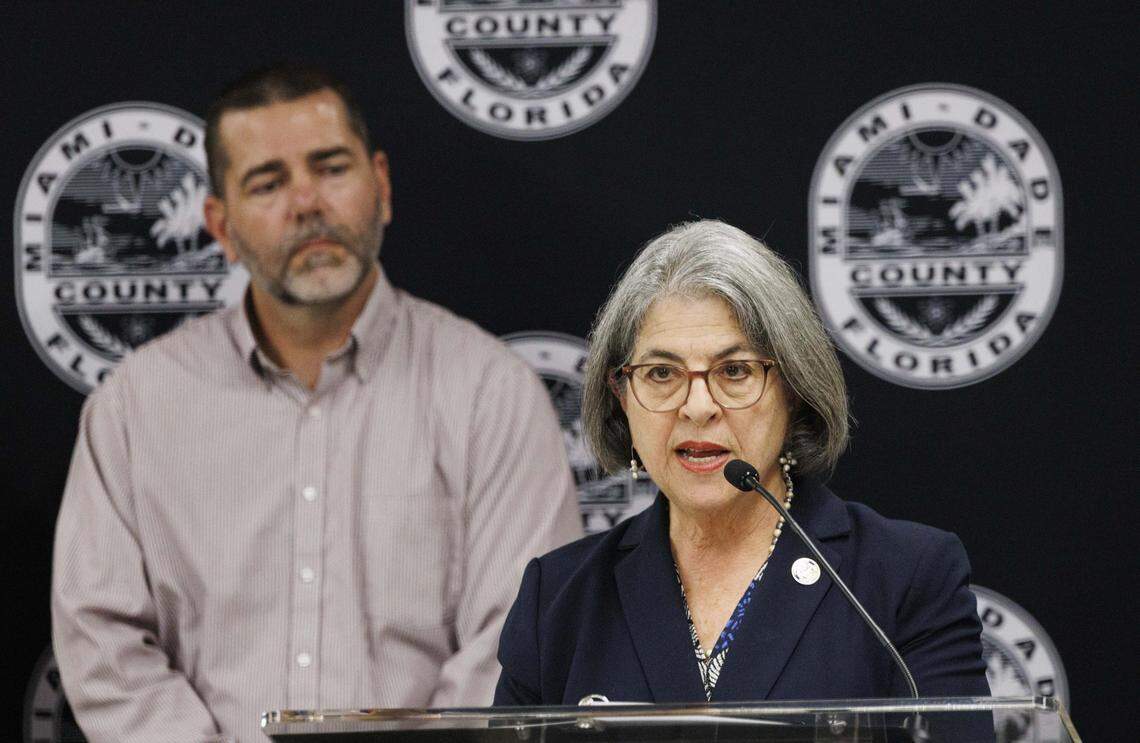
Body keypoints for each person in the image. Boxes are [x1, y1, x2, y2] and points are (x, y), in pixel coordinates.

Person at [51, 65, 582, 743]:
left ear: (381, 186)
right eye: (268, 183)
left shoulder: (490, 391)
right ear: (220, 223)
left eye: (331, 168)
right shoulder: (135, 407)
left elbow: (516, 641)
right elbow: (104, 646)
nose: (307, 203)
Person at [494, 221, 991, 722]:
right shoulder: (557, 597)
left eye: (734, 371)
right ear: (622, 397)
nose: (697, 406)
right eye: (661, 374)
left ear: (793, 388)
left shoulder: (906, 578)